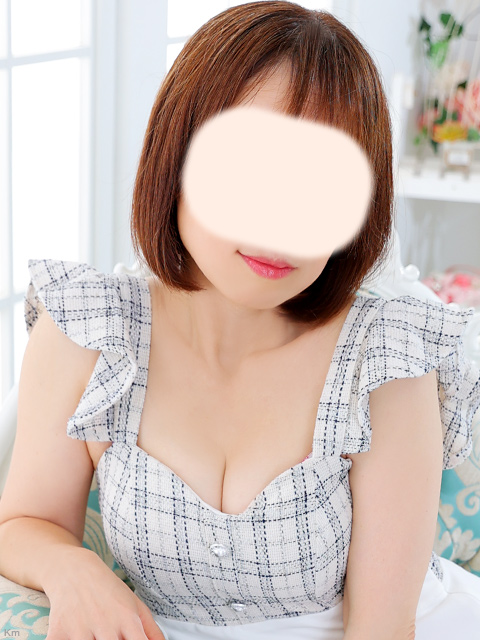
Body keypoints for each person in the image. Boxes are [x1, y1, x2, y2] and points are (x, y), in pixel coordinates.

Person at [1, 2, 480, 639]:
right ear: (176, 160)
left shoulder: (387, 359)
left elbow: (382, 628)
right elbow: (23, 525)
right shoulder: (87, 331)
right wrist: (72, 569)